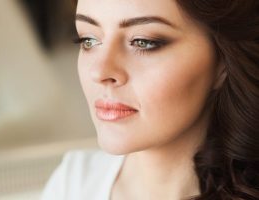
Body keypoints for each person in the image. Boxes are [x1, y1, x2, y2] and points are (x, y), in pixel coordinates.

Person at [42, 0, 259, 199]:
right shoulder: (73, 182)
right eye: (88, 39)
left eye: (143, 42)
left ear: (222, 62)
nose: (99, 72)